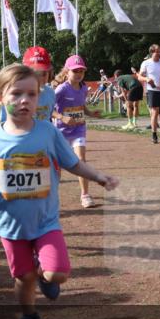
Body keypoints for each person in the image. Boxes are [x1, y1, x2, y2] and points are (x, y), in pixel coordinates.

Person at [0, 64, 119, 319]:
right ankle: (29, 317)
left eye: (31, 94)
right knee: (23, 278)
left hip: (46, 222)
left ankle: (43, 272)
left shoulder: (48, 132)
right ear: (0, 98)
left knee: (57, 274)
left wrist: (98, 176)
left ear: (39, 98)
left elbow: (73, 163)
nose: (24, 100)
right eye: (16, 94)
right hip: (11, 226)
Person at [52, 55, 102, 208]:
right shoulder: (61, 89)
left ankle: (85, 195)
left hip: (78, 129)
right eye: (75, 71)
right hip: (61, 131)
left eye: (82, 71)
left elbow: (81, 106)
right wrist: (62, 117)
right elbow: (49, 109)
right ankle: (51, 196)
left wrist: (90, 113)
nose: (79, 74)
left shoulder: (84, 88)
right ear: (67, 72)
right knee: (57, 164)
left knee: (81, 160)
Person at [139, 44, 160, 143]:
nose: (159, 53)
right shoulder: (146, 63)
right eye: (157, 51)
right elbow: (139, 77)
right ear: (152, 52)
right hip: (152, 90)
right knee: (155, 113)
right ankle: (154, 135)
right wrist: (146, 79)